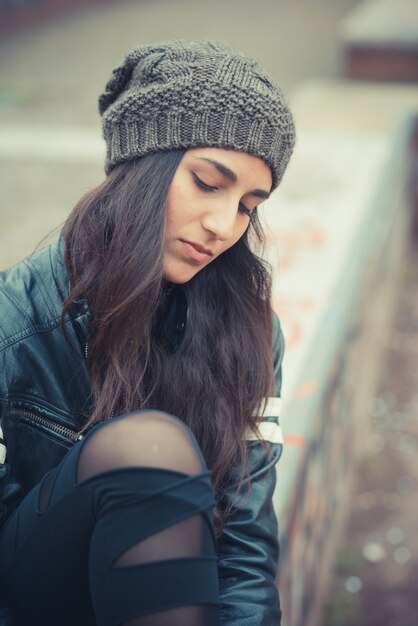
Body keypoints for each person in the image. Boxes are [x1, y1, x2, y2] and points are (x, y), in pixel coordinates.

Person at [0, 39, 295, 626]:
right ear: (140, 164)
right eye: (209, 183)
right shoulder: (13, 325)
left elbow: (242, 546)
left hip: (168, 598)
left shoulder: (251, 331)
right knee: (146, 448)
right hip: (33, 591)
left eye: (247, 206)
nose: (222, 226)